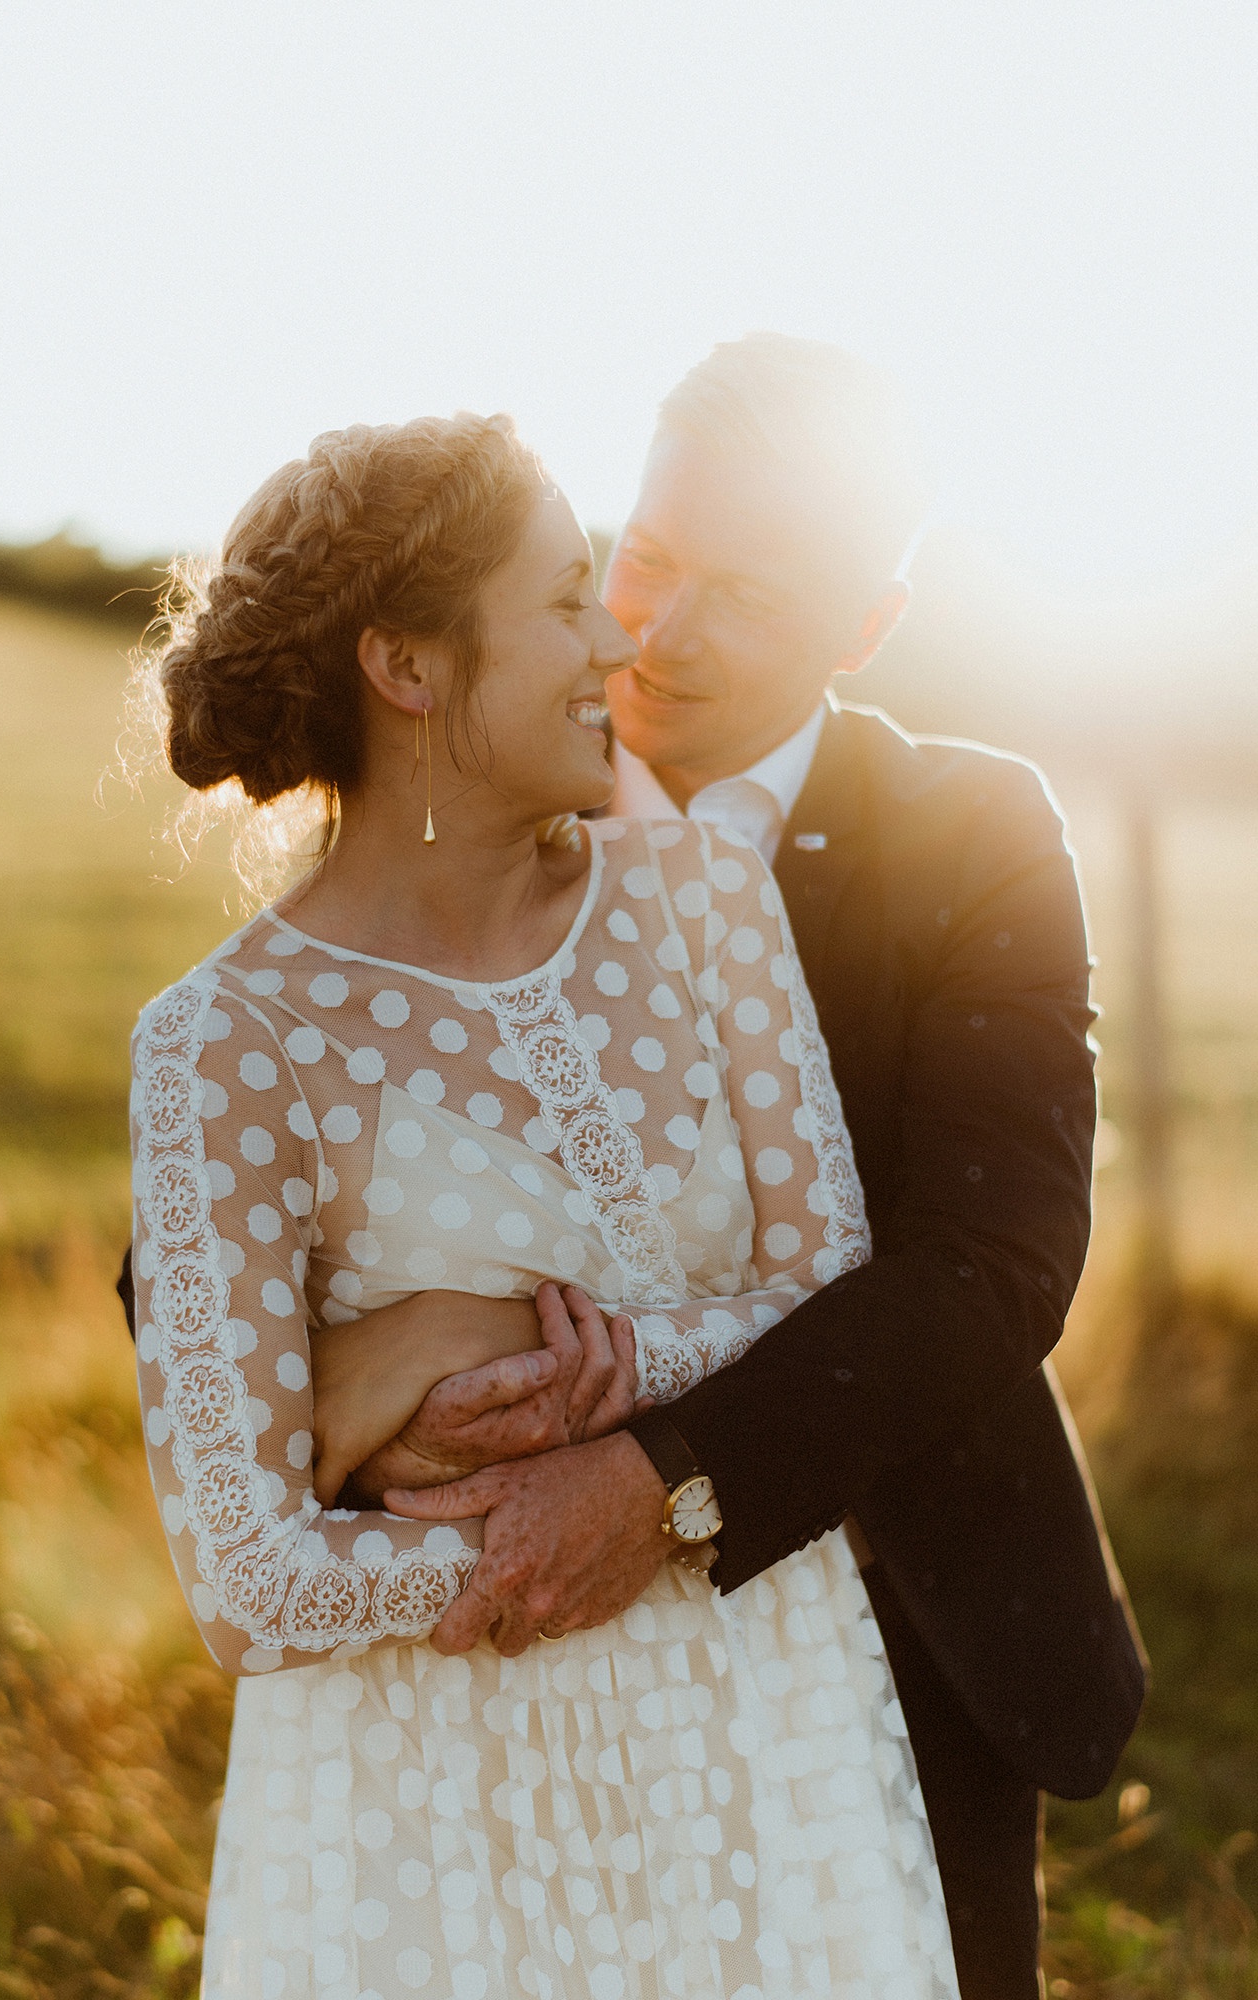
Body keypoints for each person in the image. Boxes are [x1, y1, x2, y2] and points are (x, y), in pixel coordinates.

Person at [313, 341, 1148, 2000]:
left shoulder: (972, 836)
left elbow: (993, 1259)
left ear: (866, 626)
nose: (659, 636)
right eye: (647, 559)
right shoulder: (435, 796)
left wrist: (662, 1482)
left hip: (899, 1628)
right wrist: (356, 1390)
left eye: (746, 599)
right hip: (490, 1660)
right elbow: (226, 1176)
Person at [128, 412, 961, 1999]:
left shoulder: (707, 905)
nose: (616, 638)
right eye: (569, 598)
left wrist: (549, 1370)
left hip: (757, 1718)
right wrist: (526, 1541)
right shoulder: (223, 1046)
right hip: (430, 1796)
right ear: (410, 668)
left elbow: (833, 1295)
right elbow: (246, 1576)